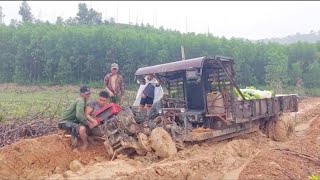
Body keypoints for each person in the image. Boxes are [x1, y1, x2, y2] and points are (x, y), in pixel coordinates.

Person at [58, 86, 98, 150]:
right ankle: (83, 144)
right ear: (81, 94)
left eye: (89, 93)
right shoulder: (81, 101)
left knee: (84, 125)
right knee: (82, 129)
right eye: (86, 93)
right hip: (64, 122)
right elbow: (79, 115)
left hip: (70, 121)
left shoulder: (83, 101)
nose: (88, 95)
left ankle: (88, 139)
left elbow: (82, 115)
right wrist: (88, 123)